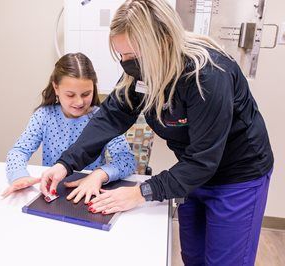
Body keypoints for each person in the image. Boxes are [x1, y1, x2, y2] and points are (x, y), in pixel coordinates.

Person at [39, 1, 274, 265]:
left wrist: (140, 193)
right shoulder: (142, 75)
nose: (127, 65)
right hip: (193, 173)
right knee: (193, 257)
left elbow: (204, 159)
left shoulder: (208, 74)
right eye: (122, 56)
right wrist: (65, 163)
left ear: (162, 43)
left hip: (238, 176)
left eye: (133, 57)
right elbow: (109, 118)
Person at [1, 52, 136, 204]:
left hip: (89, 192)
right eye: (70, 95)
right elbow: (19, 151)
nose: (79, 102)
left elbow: (127, 160)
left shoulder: (105, 119)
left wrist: (99, 175)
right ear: (56, 88)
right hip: (54, 194)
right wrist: (19, 176)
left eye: (86, 94)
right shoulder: (44, 116)